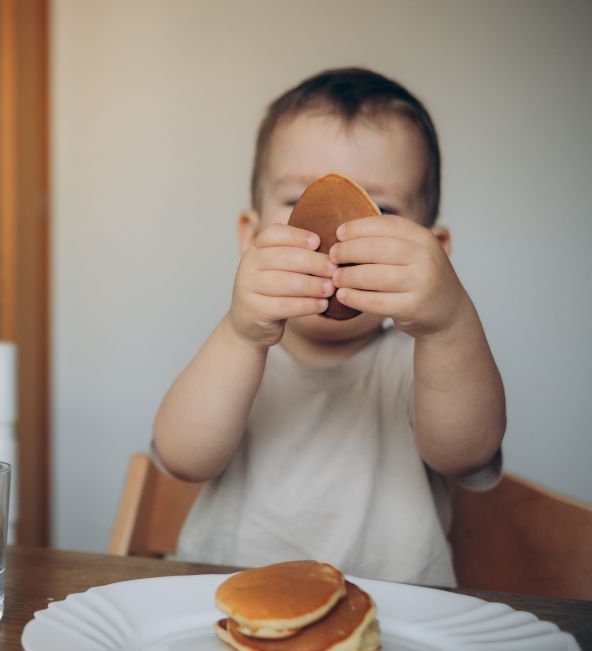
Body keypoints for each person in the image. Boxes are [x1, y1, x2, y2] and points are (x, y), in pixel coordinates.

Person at [152, 68, 506, 586]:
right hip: (228, 610)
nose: (339, 235)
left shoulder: (425, 364)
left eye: (381, 209)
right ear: (251, 236)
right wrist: (241, 334)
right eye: (301, 202)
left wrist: (448, 322)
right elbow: (183, 458)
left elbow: (467, 451)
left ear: (436, 252)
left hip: (394, 622)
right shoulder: (240, 355)